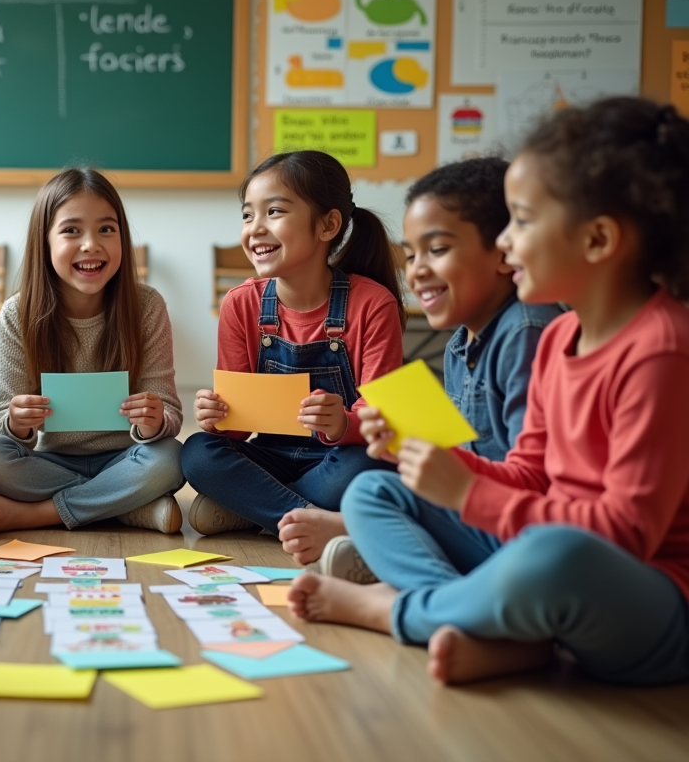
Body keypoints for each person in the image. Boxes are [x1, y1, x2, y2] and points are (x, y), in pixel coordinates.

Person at [290, 98, 689, 687]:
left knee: (556, 552)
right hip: (542, 560)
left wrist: (471, 493)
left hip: (643, 601)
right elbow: (528, 471)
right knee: (374, 489)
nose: (507, 245)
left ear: (599, 239)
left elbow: (626, 534)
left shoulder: (660, 349)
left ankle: (395, 609)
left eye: (523, 222)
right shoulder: (560, 338)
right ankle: (494, 631)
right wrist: (433, 462)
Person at [319, 157, 563, 582]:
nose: (416, 270)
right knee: (371, 489)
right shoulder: (458, 345)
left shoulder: (526, 331)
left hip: (525, 532)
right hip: (482, 517)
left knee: (366, 493)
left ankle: (428, 594)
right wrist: (406, 447)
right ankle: (430, 582)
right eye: (411, 255)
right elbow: (464, 454)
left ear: (504, 251)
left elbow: (533, 483)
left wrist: (434, 467)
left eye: (438, 249)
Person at [182, 151, 404, 563]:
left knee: (365, 469)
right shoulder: (241, 303)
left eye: (275, 211)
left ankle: (252, 510)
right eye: (248, 215)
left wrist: (344, 424)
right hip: (271, 457)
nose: (255, 229)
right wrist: (217, 416)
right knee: (196, 453)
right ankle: (312, 520)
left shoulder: (372, 304)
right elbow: (234, 431)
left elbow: (383, 419)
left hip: (337, 460)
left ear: (328, 225)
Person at [0, 168, 185, 534]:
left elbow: (170, 413)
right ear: (45, 241)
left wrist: (155, 421)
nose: (91, 244)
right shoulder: (17, 314)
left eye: (106, 229)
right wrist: (17, 422)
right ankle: (127, 507)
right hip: (50, 461)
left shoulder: (147, 306)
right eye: (71, 230)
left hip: (126, 457)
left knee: (172, 458)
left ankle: (43, 514)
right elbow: (1, 419)